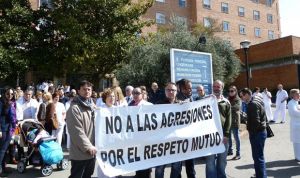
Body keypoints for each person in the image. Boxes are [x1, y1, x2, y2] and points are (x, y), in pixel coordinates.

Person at [66, 80, 97, 178]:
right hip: (80, 152)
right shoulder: (74, 108)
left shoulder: (93, 107)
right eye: (84, 89)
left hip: (93, 150)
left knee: (88, 175)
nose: (87, 91)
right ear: (78, 91)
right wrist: (88, 147)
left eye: (89, 89)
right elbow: (76, 131)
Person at [155, 82, 181, 178]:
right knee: (159, 168)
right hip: (162, 143)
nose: (171, 92)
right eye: (168, 90)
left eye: (173, 90)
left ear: (176, 92)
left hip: (177, 142)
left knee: (176, 167)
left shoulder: (182, 105)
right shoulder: (158, 105)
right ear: (165, 91)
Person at [205, 80, 231, 178]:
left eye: (218, 87)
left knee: (222, 161)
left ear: (222, 88)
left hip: (223, 137)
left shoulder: (226, 102)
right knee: (210, 162)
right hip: (210, 137)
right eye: (214, 86)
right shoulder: (206, 100)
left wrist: (226, 135)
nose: (216, 88)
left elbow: (229, 120)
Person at [239, 88, 267, 178]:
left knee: (258, 158)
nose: (241, 98)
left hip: (257, 133)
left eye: (242, 96)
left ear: (247, 94)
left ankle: (261, 176)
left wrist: (249, 132)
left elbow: (256, 122)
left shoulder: (252, 104)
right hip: (261, 132)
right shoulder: (257, 100)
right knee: (259, 156)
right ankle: (260, 175)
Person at [128, 87, 152, 178]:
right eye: (133, 93)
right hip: (134, 137)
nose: (135, 95)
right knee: (137, 159)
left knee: (146, 158)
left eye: (137, 93)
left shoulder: (149, 105)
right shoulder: (129, 105)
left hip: (146, 137)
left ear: (142, 94)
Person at [176, 79, 196, 178]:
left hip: (189, 135)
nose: (190, 90)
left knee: (190, 162)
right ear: (181, 88)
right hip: (178, 136)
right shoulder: (176, 99)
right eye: (188, 88)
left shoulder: (191, 97)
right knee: (178, 163)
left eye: (191, 88)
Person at [97, 88, 116, 178]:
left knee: (113, 163)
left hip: (115, 142)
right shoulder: (100, 110)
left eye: (113, 96)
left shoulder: (118, 110)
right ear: (105, 98)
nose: (112, 98)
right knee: (103, 164)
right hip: (103, 142)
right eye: (109, 96)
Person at [0, 88, 17, 177]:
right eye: (8, 94)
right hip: (3, 130)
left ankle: (3, 167)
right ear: (4, 94)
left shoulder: (11, 103)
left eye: (11, 94)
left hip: (8, 129)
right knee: (2, 150)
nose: (10, 96)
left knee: (4, 150)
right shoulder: (1, 103)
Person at [227, 86, 241, 160]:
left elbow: (236, 107)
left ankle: (238, 153)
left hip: (235, 121)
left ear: (235, 91)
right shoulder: (227, 99)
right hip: (228, 121)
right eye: (229, 91)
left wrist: (227, 106)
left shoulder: (238, 99)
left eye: (232, 91)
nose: (230, 92)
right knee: (228, 137)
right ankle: (230, 150)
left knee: (236, 138)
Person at [287, 89, 300, 161]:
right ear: (292, 95)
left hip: (298, 124)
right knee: (297, 141)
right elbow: (294, 113)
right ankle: (298, 157)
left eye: (299, 94)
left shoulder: (296, 103)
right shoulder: (291, 103)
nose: (299, 95)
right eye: (297, 94)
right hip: (296, 125)